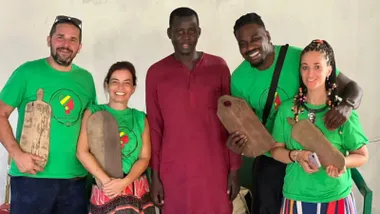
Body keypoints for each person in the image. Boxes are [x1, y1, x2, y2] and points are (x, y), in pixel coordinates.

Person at [227, 13, 364, 214]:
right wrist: (236, 146)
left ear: (267, 35)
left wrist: (347, 106)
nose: (250, 47)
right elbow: (242, 126)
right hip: (272, 156)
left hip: (313, 157)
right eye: (242, 43)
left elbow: (353, 88)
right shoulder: (239, 79)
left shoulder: (300, 59)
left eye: (255, 38)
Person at [145, 7, 242, 214]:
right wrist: (155, 178)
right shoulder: (156, 73)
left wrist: (234, 170)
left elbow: (231, 122)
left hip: (215, 168)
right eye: (179, 31)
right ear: (170, 33)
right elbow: (155, 127)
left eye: (191, 30)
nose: (185, 36)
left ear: (199, 32)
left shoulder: (219, 67)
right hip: (174, 171)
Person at [0, 15, 96, 214]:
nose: (66, 44)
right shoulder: (26, 72)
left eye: (73, 40)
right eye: (60, 37)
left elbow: (91, 126)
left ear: (79, 46)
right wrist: (17, 154)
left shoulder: (86, 79)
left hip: (75, 181)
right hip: (32, 178)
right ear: (49, 40)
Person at [270, 39, 368, 213]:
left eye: (317, 66)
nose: (309, 74)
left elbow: (361, 155)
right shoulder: (287, 110)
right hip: (296, 196)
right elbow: (276, 150)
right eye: (305, 67)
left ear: (329, 70)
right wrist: (297, 156)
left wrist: (342, 163)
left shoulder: (342, 113)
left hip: (336, 198)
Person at [76, 61, 155, 214]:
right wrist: (108, 182)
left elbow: (144, 158)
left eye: (126, 83)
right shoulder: (94, 112)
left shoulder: (140, 117)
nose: (120, 88)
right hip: (104, 188)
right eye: (115, 82)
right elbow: (82, 152)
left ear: (133, 88)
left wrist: (125, 182)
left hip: (136, 189)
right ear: (106, 85)